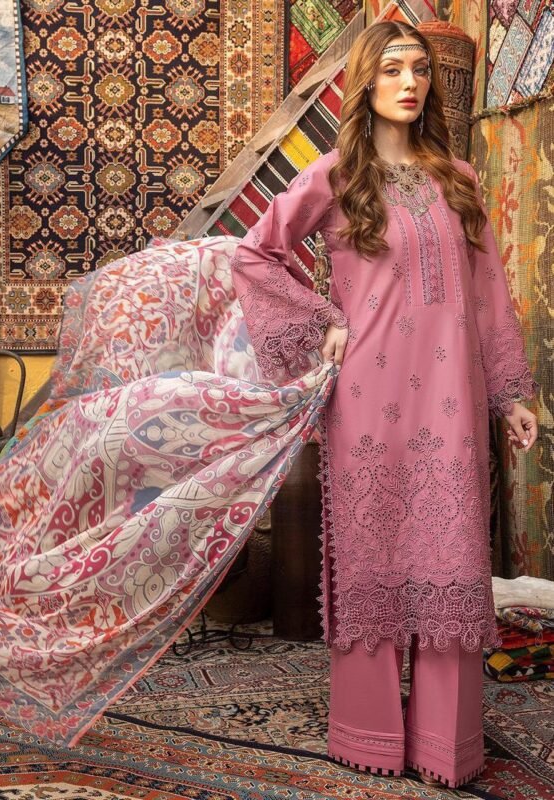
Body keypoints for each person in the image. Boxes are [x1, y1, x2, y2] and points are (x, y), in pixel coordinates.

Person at [230, 19, 539, 789]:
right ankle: (367, 734)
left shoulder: (456, 180)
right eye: (392, 69)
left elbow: (488, 296)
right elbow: (255, 255)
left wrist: (511, 393)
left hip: (453, 401)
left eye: (418, 70)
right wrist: (319, 323)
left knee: (449, 561)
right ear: (364, 82)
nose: (409, 83)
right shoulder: (336, 176)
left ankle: (444, 745)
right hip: (367, 400)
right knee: (372, 563)